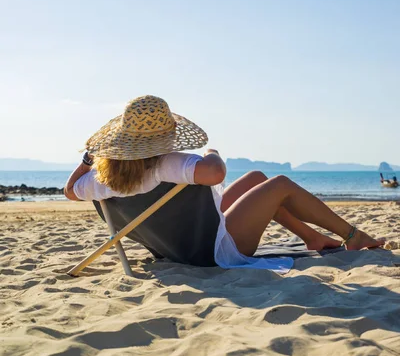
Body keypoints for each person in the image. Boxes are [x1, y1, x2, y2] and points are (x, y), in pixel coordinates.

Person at [65, 95, 384, 272]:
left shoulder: (99, 180)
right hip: (211, 250)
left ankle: (312, 238)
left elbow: (69, 190)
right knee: (281, 184)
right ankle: (352, 235)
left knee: (258, 179)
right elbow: (215, 173)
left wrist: (88, 160)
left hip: (176, 248)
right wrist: (211, 151)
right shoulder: (168, 164)